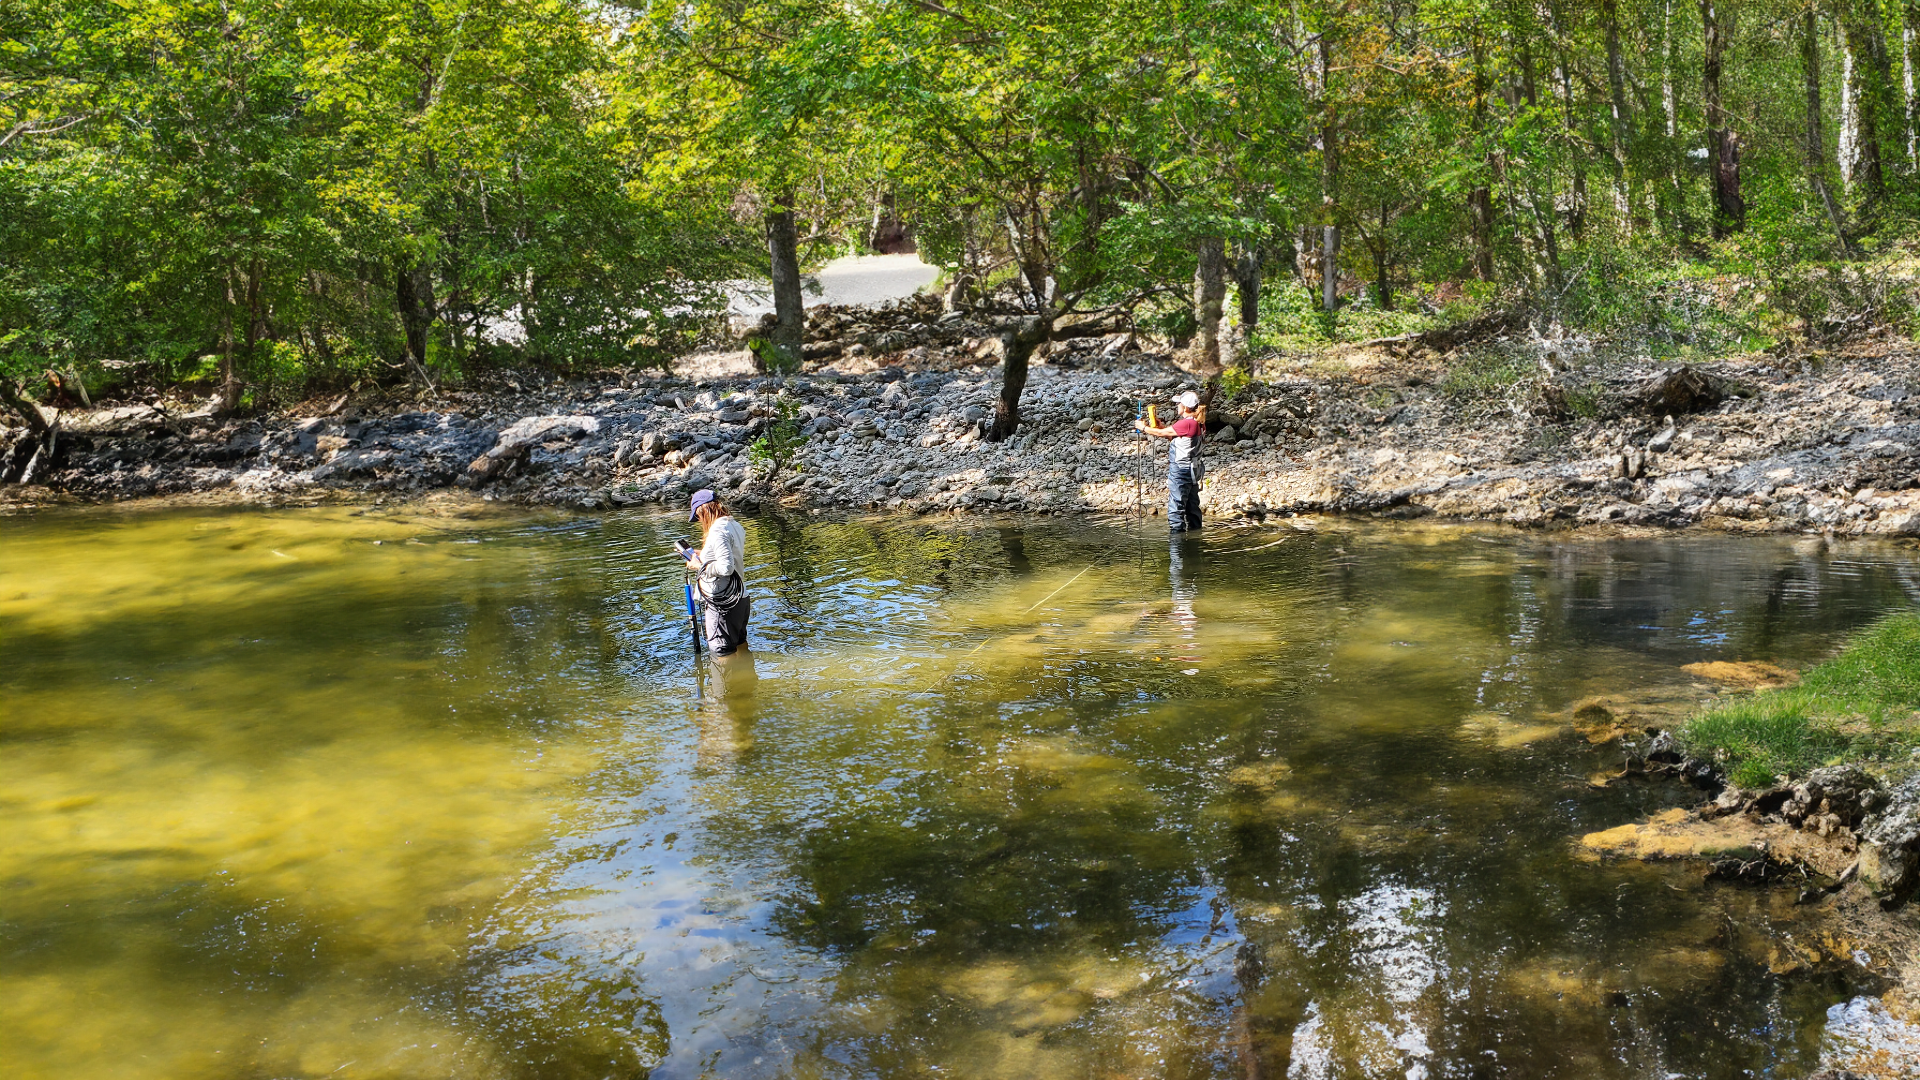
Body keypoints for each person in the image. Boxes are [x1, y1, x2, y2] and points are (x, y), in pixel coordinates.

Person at [681, 489, 752, 656]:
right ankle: (748, 681)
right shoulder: (734, 525)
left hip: (722, 604)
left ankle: (725, 683)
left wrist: (699, 566)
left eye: (698, 516)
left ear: (704, 511)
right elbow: (729, 555)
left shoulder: (717, 531)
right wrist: (702, 554)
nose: (699, 521)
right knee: (741, 645)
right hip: (741, 598)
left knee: (721, 653)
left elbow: (726, 568)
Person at [1134, 390, 1206, 534]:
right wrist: (1160, 427)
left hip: (1181, 471)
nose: (1177, 405)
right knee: (1192, 508)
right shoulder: (1197, 423)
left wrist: (1143, 427)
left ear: (1185, 407)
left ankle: (1177, 545)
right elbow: (1178, 438)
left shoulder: (1186, 424)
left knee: (1176, 509)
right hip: (1194, 471)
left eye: (1179, 403)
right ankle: (1195, 539)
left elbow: (1162, 434)